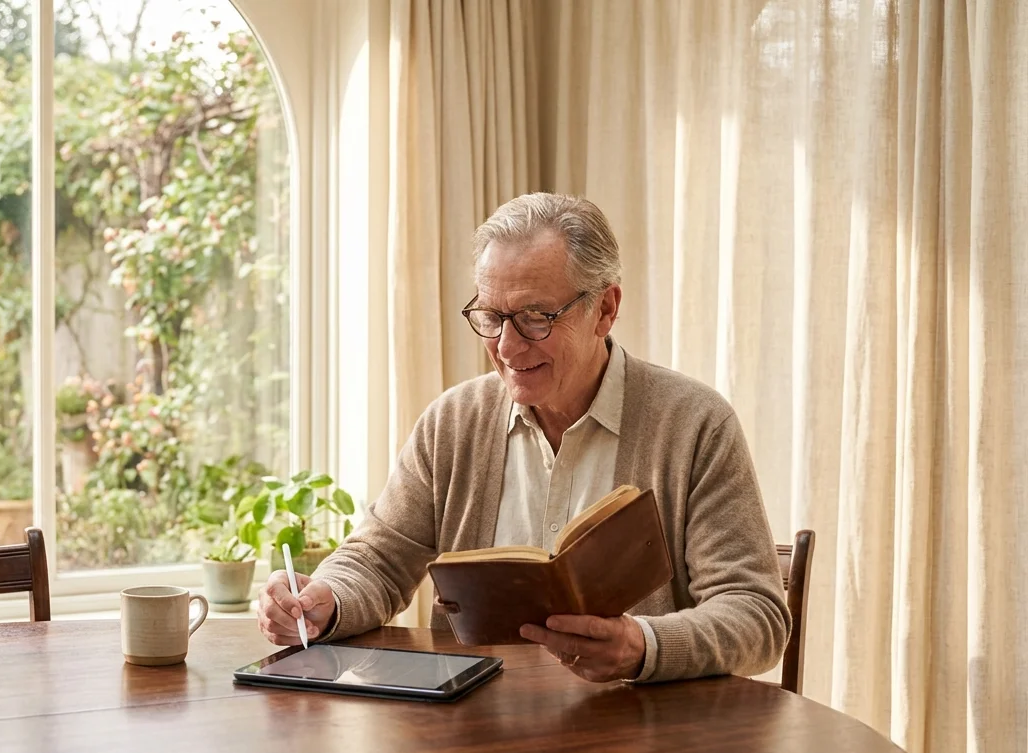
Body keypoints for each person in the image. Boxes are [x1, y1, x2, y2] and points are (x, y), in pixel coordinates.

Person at [255, 192, 791, 683]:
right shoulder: (453, 422)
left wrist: (643, 645)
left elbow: (756, 615)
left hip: (641, 735)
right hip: (474, 735)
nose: (507, 348)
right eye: (491, 317)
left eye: (536, 318)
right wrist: (325, 598)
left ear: (604, 308)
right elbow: (376, 559)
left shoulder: (694, 424)